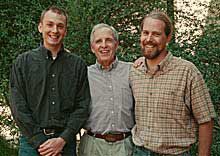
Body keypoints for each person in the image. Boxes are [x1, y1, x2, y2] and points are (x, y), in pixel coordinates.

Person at [130, 11, 216, 156]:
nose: (149, 39)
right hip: (140, 152)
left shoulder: (187, 72)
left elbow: (206, 121)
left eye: (156, 34)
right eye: (145, 33)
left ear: (168, 37)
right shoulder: (134, 72)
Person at [9, 6, 91, 156]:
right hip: (31, 144)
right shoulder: (23, 63)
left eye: (60, 26)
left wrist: (62, 140)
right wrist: (40, 142)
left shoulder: (77, 65)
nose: (55, 30)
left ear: (65, 31)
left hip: (65, 144)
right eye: (50, 24)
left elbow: (83, 106)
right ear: (40, 27)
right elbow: (18, 106)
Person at [79, 23, 135, 156]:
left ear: (116, 44)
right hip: (92, 146)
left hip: (125, 146)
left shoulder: (132, 71)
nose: (104, 45)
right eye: (98, 41)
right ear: (93, 47)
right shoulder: (83, 75)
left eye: (108, 40)